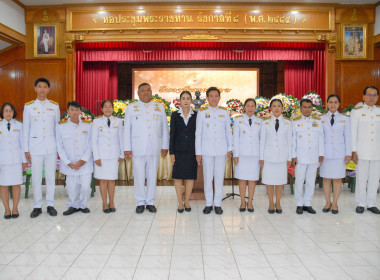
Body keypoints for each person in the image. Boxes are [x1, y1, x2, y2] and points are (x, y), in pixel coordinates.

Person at [124, 83, 169, 214]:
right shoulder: (132, 107)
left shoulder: (159, 107)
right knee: (138, 175)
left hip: (154, 147)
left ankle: (150, 201)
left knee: (152, 175)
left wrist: (165, 145)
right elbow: (127, 129)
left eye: (148, 90)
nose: (146, 93)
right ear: (138, 93)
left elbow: (164, 128)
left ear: (151, 92)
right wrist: (127, 148)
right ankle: (140, 201)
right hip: (137, 147)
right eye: (143, 91)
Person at [23, 78, 60, 218]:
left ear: (49, 89)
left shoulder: (54, 106)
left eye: (45, 87)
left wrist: (59, 148)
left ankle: (50, 204)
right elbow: (26, 129)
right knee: (36, 177)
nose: (42, 89)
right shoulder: (29, 106)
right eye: (40, 86)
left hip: (51, 147)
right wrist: (26, 150)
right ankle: (37, 205)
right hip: (35, 148)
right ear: (35, 88)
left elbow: (57, 129)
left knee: (51, 177)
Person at [195, 87, 233, 215]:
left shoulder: (225, 113)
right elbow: (198, 133)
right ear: (207, 98)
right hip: (207, 151)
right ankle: (208, 204)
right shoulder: (201, 112)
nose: (214, 98)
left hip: (221, 150)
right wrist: (198, 152)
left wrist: (230, 149)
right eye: (211, 96)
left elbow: (228, 132)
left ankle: (217, 204)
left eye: (216, 96)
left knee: (218, 178)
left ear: (219, 98)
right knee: (208, 177)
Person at [56, 101, 93, 215]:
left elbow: (91, 144)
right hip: (70, 164)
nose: (75, 112)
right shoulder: (61, 126)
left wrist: (83, 160)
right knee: (71, 187)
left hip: (85, 163)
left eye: (77, 110)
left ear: (80, 111)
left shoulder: (88, 125)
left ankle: (83, 205)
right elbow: (59, 146)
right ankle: (72, 205)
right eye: (72, 109)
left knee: (85, 187)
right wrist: (68, 162)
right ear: (68, 111)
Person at [320, 94, 351, 214]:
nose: (333, 104)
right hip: (325, 155)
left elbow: (348, 138)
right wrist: (320, 154)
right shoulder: (321, 119)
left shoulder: (345, 119)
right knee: (326, 179)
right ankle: (327, 202)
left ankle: (335, 203)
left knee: (337, 179)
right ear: (327, 104)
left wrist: (348, 153)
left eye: (335, 102)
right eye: (331, 102)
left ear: (339, 104)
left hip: (339, 154)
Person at [351, 86, 380, 214]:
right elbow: (353, 132)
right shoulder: (357, 112)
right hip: (361, 151)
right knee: (361, 178)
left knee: (374, 178)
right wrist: (353, 151)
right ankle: (361, 202)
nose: (371, 97)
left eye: (374, 95)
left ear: (377, 97)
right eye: (369, 95)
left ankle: (371, 203)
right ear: (363, 97)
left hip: (377, 151)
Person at [260, 99, 292, 214]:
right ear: (271, 109)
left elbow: (290, 142)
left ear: (282, 109)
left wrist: (289, 157)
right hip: (268, 157)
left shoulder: (288, 123)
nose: (277, 108)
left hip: (282, 157)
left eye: (279, 106)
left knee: (280, 181)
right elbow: (262, 141)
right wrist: (261, 157)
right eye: (274, 106)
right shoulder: (265, 123)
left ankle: (278, 202)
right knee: (269, 181)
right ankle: (270, 203)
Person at [292, 99, 324, 214]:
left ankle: (308, 203)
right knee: (300, 180)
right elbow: (293, 140)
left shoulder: (317, 121)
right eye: (304, 107)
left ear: (312, 108)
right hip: (300, 157)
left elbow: (321, 138)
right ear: (300, 108)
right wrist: (293, 156)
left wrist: (321, 154)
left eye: (309, 107)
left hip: (314, 156)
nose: (307, 109)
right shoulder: (295, 122)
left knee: (311, 181)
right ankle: (299, 203)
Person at [92, 100, 124, 213]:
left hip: (114, 156)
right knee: (103, 180)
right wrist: (96, 157)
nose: (108, 109)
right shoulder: (96, 122)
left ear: (113, 109)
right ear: (101, 109)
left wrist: (121, 154)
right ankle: (105, 203)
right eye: (105, 107)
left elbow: (121, 138)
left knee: (111, 180)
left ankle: (112, 202)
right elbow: (94, 141)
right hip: (101, 156)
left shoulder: (119, 121)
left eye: (110, 107)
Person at [170, 91, 197, 213]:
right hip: (178, 151)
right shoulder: (175, 115)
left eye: (188, 98)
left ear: (191, 100)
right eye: (183, 98)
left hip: (192, 151)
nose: (185, 101)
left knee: (190, 177)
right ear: (179, 101)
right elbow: (172, 134)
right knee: (178, 178)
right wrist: (171, 152)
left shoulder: (197, 115)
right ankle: (180, 202)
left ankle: (187, 201)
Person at [233, 98, 262, 213]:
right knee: (242, 179)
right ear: (244, 107)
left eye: (252, 106)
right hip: (242, 155)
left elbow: (262, 140)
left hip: (255, 155)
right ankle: (242, 202)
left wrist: (262, 157)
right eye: (248, 106)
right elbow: (235, 138)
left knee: (252, 179)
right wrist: (236, 154)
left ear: (255, 108)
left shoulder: (260, 121)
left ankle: (250, 202)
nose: (250, 108)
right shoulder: (238, 120)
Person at [0, 103, 27, 219]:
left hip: (16, 160)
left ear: (13, 112)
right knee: (3, 185)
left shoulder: (19, 125)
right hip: (3, 160)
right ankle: (7, 209)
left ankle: (15, 208)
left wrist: (24, 160)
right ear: (2, 113)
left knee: (16, 184)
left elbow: (23, 143)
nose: (8, 113)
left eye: (10, 110)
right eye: (6, 111)